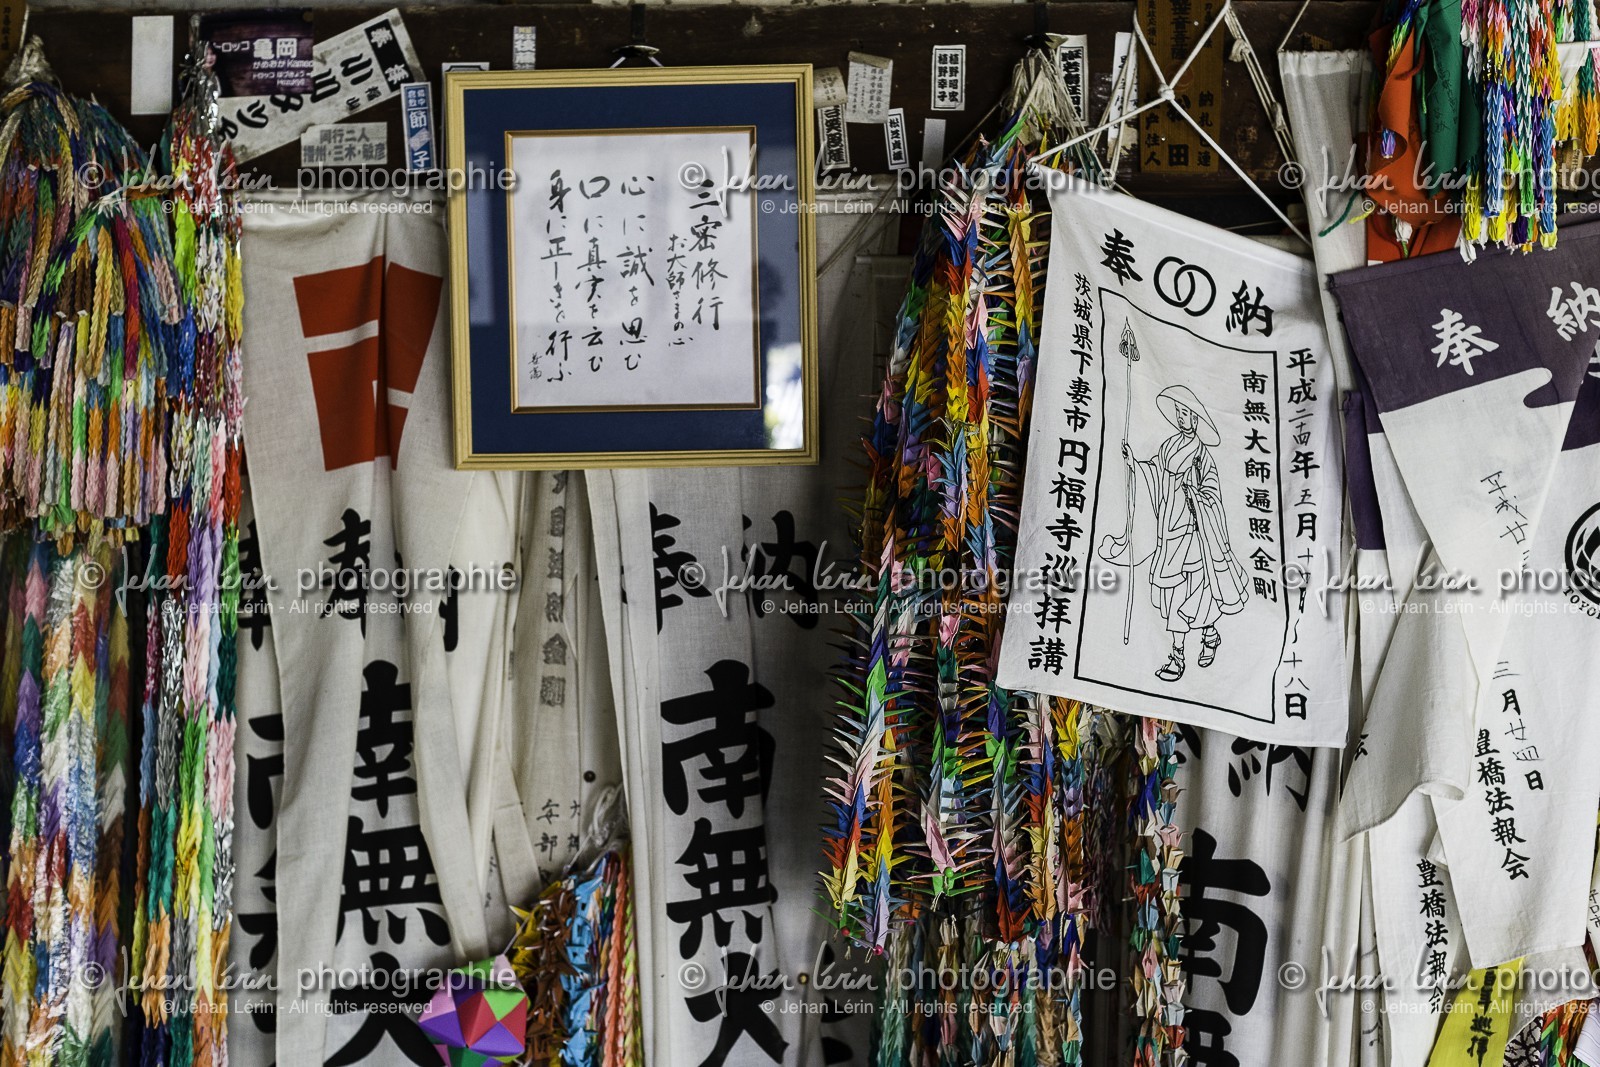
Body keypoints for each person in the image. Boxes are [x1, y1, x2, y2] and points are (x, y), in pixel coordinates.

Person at [1121, 386, 1248, 681]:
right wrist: (1135, 464)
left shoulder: (1202, 457)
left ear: (1197, 419)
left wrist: (1197, 496)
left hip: (1194, 534)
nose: (1182, 418)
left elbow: (1213, 493)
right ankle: (1210, 634)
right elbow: (1155, 474)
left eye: (1188, 414)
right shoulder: (1168, 447)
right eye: (1179, 412)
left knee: (1191, 596)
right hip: (1169, 532)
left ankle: (1177, 656)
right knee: (1176, 597)